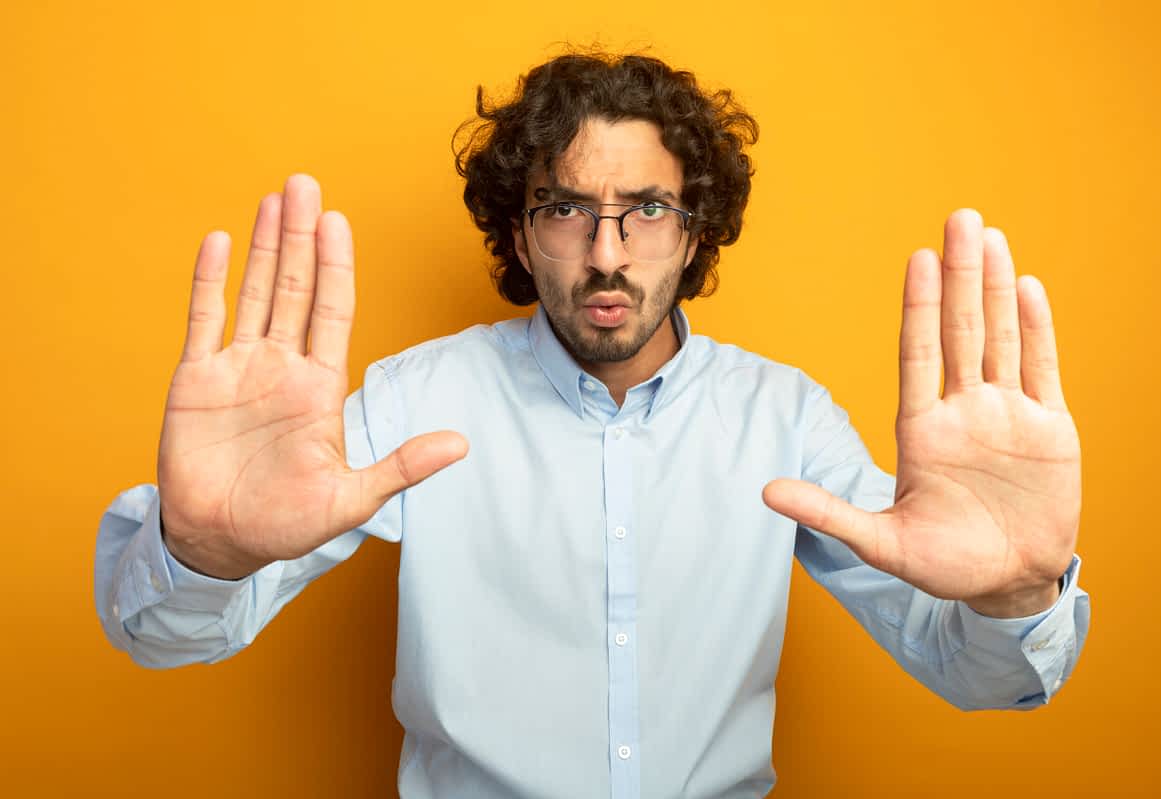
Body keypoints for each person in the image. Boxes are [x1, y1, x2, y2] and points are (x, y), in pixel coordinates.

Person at [94, 52, 1090, 798]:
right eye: (565, 208)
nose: (605, 252)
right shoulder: (415, 400)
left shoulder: (784, 417)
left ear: (694, 225)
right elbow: (160, 639)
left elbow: (985, 680)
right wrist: (201, 553)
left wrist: (1014, 595)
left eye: (646, 207)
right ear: (519, 231)